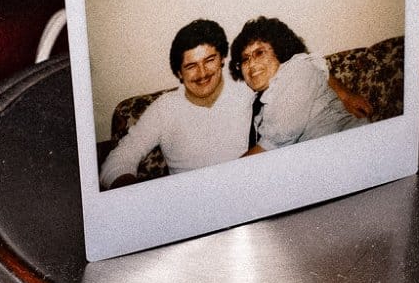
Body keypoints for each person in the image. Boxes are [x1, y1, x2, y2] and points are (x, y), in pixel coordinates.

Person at [98, 19, 255, 188]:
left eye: (209, 60)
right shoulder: (165, 108)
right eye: (191, 66)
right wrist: (133, 196)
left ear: (222, 59)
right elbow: (117, 159)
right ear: (179, 73)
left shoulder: (247, 87)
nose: (202, 73)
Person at [229, 16, 365, 153]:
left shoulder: (297, 69)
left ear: (279, 50)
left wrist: (227, 173)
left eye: (259, 53)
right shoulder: (261, 103)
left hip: (352, 149)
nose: (251, 64)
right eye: (245, 59)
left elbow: (271, 146)